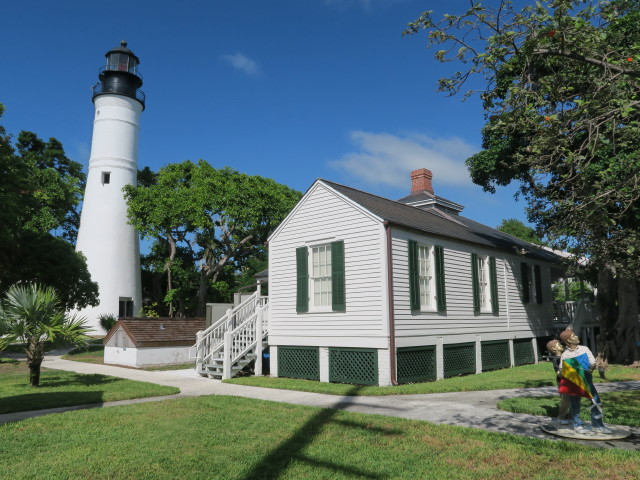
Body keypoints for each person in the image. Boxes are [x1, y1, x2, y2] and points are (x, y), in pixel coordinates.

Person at [558, 328, 612, 434]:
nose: (577, 337)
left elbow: (592, 362)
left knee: (596, 401)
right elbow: (561, 370)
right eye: (573, 336)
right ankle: (577, 424)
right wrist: (563, 372)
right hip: (574, 383)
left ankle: (597, 425)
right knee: (575, 403)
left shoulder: (584, 349)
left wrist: (592, 367)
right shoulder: (565, 355)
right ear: (568, 341)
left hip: (587, 381)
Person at [546, 339, 570, 424]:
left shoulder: (563, 356)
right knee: (565, 399)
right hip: (562, 381)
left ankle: (570, 415)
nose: (562, 345)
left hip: (569, 379)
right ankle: (561, 417)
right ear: (553, 349)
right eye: (559, 344)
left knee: (570, 399)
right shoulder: (557, 359)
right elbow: (559, 371)